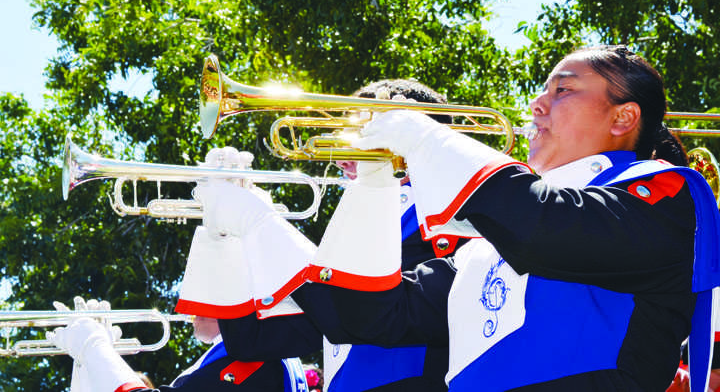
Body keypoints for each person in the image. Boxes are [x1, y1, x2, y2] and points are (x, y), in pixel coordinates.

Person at [205, 45, 720, 391]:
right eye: (542, 90)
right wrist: (255, 222)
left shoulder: (666, 194)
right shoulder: (484, 247)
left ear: (623, 118)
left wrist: (423, 137)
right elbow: (361, 316)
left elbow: (544, 225)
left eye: (562, 90)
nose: (537, 105)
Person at [185, 79, 466, 392]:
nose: (341, 157)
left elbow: (354, 308)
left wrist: (261, 224)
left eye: (362, 136)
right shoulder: (365, 224)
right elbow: (252, 340)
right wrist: (230, 236)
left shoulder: (446, 215)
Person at [47, 296, 308, 392]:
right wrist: (93, 366)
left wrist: (94, 347)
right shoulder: (250, 350)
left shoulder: (257, 356)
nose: (186, 307)